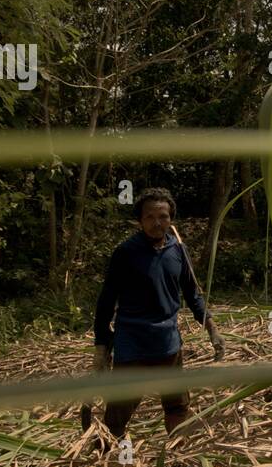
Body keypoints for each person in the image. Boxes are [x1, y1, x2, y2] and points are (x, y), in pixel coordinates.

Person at [90, 187, 225, 438]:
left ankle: (175, 454)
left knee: (177, 404)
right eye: (150, 217)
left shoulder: (178, 251)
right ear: (140, 221)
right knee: (119, 411)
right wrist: (101, 345)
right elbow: (106, 301)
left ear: (171, 218)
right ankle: (107, 462)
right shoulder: (126, 253)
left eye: (163, 216)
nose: (157, 223)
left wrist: (212, 329)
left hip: (168, 342)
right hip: (133, 342)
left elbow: (192, 294)